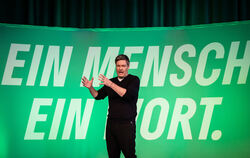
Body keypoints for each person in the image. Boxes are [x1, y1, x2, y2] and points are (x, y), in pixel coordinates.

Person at [81, 54, 140, 158]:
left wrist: (110, 84)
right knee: (112, 156)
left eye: (123, 66)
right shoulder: (111, 81)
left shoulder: (134, 80)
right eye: (118, 66)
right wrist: (90, 87)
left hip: (126, 125)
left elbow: (127, 94)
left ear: (128, 66)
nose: (120, 68)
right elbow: (98, 96)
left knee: (130, 155)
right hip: (111, 125)